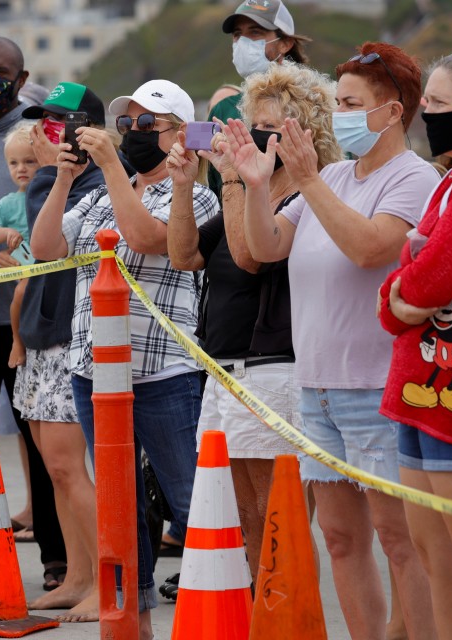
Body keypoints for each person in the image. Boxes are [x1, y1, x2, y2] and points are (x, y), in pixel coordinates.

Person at [238, 42, 439, 639]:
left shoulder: (414, 176)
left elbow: (370, 247)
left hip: (375, 387)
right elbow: (266, 247)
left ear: (391, 112)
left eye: (351, 103)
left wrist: (304, 179)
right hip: (316, 387)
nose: (339, 114)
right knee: (341, 537)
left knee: (399, 539)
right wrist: (253, 184)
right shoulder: (330, 175)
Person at [31, 79, 217, 640]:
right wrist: (64, 178)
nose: (133, 133)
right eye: (127, 123)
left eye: (146, 125)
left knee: (190, 497)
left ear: (179, 135)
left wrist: (112, 166)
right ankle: (131, 615)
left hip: (163, 373)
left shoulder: (193, 196)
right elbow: (43, 249)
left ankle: (227, 600)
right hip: (96, 371)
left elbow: (145, 239)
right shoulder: (97, 193)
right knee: (122, 502)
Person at [165, 62, 342, 581]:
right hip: (226, 369)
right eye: (249, 124)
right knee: (243, 515)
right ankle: (256, 615)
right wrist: (183, 185)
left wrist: (235, 178)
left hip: (272, 367)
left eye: (265, 126)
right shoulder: (247, 190)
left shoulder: (306, 196)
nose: (252, 136)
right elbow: (184, 255)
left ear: (302, 132)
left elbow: (249, 256)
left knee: (275, 515)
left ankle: (284, 618)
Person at [379, 45, 452, 638]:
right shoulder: (448, 182)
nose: (427, 113)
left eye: (440, 103)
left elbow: (422, 281)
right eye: (424, 100)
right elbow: (402, 289)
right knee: (435, 555)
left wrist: (405, 291)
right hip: (417, 389)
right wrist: (404, 293)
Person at [0, 35, 66, 584]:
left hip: (29, 322)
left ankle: (57, 557)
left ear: (22, 79)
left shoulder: (41, 127)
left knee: (42, 443)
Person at [16, 81, 112, 620]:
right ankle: (78, 573)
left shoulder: (96, 181)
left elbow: (56, 239)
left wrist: (57, 169)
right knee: (55, 468)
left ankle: (109, 577)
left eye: (56, 123)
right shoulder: (49, 177)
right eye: (42, 122)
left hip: (73, 338)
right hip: (40, 337)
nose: (42, 133)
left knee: (72, 469)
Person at [209, 0, 311, 199]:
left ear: (285, 43)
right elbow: (213, 189)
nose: (243, 42)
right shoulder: (222, 111)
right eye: (237, 34)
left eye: (255, 32)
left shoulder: (309, 106)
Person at [0, 123, 36, 371]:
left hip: (53, 265)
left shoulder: (51, 194)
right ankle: (17, 342)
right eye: (13, 163)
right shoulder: (7, 203)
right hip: (26, 267)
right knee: (20, 294)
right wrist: (7, 233)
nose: (21, 168)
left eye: (29, 161)